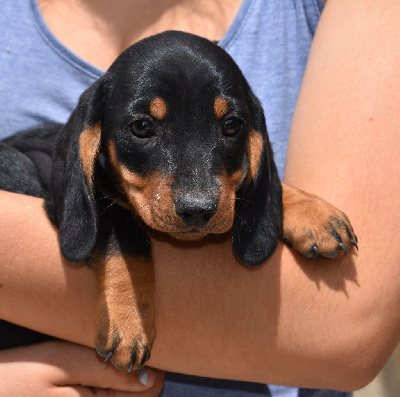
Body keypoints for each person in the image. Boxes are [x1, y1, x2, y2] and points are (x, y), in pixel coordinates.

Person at [0, 0, 399, 396]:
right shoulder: (59, 160)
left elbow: (346, 329)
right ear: (92, 143)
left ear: (253, 140)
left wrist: (283, 202)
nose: (196, 199)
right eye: (142, 127)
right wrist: (125, 269)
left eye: (229, 126)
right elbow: (78, 200)